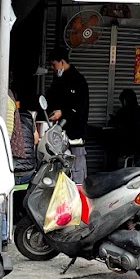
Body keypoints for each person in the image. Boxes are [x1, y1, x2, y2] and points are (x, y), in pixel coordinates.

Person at [45, 46, 89, 184]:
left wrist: (63, 113)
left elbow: (80, 108)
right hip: (58, 135)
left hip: (75, 135)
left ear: (62, 62)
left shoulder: (79, 80)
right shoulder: (57, 80)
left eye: (54, 64)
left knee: (76, 172)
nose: (52, 68)